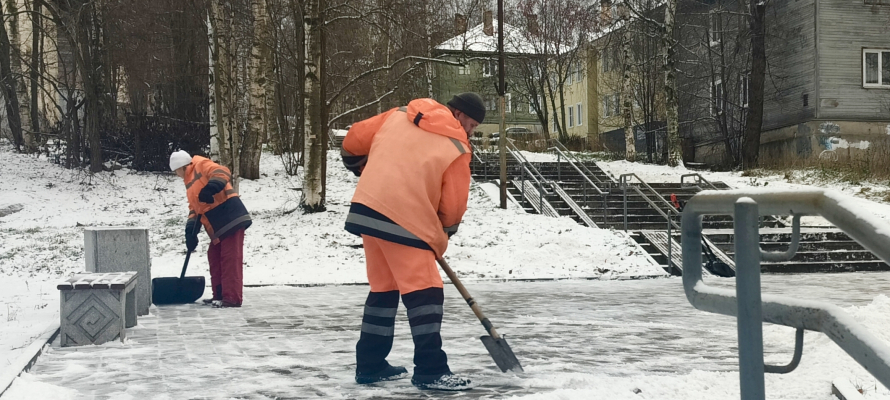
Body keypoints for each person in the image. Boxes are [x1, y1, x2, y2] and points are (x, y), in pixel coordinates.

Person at [341, 93, 484, 391]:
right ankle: (431, 371)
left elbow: (353, 139)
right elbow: (454, 204)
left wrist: (361, 168)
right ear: (457, 114)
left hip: (368, 209)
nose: (470, 131)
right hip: (407, 220)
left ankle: (370, 364)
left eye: (474, 128)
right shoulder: (457, 146)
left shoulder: (399, 114)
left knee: (384, 289)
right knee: (426, 293)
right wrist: (444, 232)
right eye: (470, 124)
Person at [169, 150, 252, 308]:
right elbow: (195, 209)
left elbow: (222, 171)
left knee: (229, 258)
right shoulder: (189, 183)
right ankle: (219, 295)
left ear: (181, 167)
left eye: (175, 171)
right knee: (214, 256)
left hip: (230, 216)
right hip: (217, 224)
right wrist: (190, 232)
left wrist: (211, 188)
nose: (176, 175)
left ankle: (232, 298)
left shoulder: (200, 164)